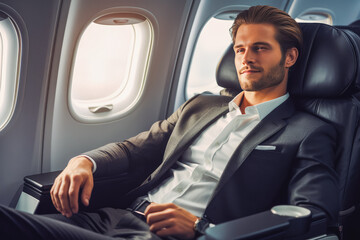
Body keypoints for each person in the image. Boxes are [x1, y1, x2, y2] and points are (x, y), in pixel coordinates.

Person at [0, 5, 339, 240]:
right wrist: (83, 161)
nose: (246, 59)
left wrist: (203, 228)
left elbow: (313, 214)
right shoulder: (201, 105)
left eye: (261, 48)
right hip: (114, 217)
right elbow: (133, 151)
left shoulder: (309, 131)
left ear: (290, 56)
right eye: (239, 49)